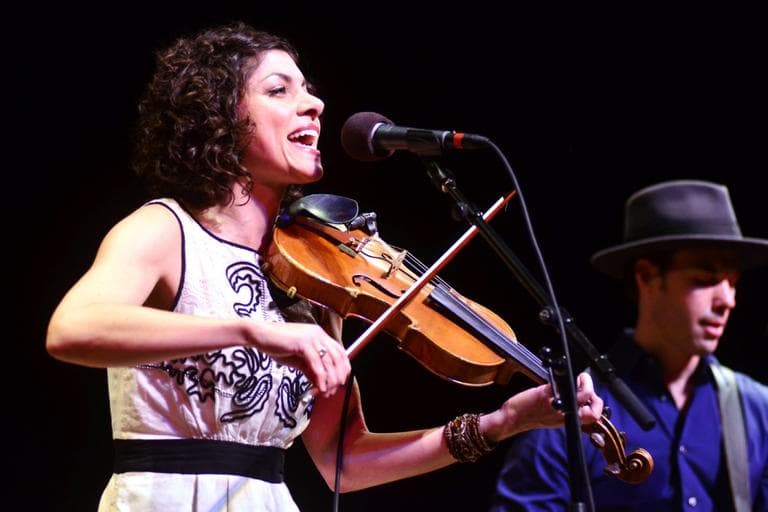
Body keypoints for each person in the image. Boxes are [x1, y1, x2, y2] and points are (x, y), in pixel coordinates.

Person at [45, 22, 605, 511]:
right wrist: (251, 331)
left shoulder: (312, 280)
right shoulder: (166, 230)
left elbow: (345, 463)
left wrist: (501, 424)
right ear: (218, 117)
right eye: (279, 90)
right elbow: (74, 329)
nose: (313, 104)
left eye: (308, 90)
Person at [490, 180, 768, 511]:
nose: (727, 300)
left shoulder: (758, 409)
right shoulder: (572, 411)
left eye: (733, 283)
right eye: (704, 280)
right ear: (647, 276)